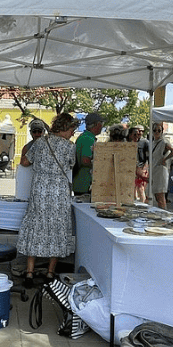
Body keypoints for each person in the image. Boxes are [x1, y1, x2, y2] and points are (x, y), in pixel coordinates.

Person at [17, 112, 79, 285]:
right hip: (59, 193)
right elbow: (70, 165)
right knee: (56, 228)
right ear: (65, 128)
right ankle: (50, 273)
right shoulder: (69, 147)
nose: (73, 133)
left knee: (36, 227)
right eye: (72, 129)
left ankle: (29, 272)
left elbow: (25, 162)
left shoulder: (40, 142)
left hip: (40, 191)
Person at [73, 111, 103, 195]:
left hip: (81, 183)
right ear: (97, 124)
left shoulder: (84, 137)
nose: (102, 127)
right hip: (85, 184)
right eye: (101, 124)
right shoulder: (88, 139)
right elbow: (85, 160)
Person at [151, 123, 173, 207]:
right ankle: (161, 213)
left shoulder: (164, 142)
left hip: (161, 171)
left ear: (162, 131)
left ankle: (163, 215)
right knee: (157, 196)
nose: (157, 132)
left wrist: (165, 159)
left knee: (160, 196)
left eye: (159, 130)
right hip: (154, 170)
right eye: (155, 130)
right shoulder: (153, 142)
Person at [129, 125, 149, 202]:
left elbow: (149, 157)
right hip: (131, 167)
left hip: (141, 167)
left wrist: (145, 168)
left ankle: (143, 202)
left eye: (142, 131)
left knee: (140, 186)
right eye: (137, 132)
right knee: (133, 186)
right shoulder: (131, 142)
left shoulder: (145, 142)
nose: (139, 133)